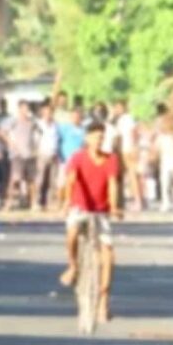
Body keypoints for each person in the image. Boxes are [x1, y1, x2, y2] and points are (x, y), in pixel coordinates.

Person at [59, 121, 122, 321]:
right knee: (72, 232)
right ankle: (72, 265)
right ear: (87, 138)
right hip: (80, 207)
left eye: (101, 137)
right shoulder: (78, 158)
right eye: (95, 136)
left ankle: (104, 301)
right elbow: (70, 180)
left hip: (101, 211)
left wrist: (114, 206)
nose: (98, 140)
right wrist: (67, 202)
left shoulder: (111, 159)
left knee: (108, 256)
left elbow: (112, 184)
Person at [3, 100, 38, 210]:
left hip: (29, 154)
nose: (25, 110)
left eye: (27, 108)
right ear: (19, 109)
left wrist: (35, 148)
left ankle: (33, 203)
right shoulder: (13, 121)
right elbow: (2, 132)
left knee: (31, 180)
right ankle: (8, 203)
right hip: (17, 154)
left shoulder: (32, 122)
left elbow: (38, 134)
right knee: (14, 179)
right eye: (23, 108)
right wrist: (11, 143)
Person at [111, 99, 144, 211]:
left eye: (118, 107)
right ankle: (136, 200)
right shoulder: (123, 119)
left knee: (132, 176)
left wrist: (134, 146)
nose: (116, 110)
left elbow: (132, 133)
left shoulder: (126, 119)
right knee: (131, 176)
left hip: (127, 149)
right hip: (126, 149)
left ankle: (137, 201)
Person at [35, 103, 60, 211]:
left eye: (50, 112)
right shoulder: (39, 124)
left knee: (52, 180)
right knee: (40, 180)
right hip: (42, 154)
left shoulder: (56, 125)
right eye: (46, 112)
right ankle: (37, 202)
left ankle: (50, 202)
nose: (48, 114)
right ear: (43, 113)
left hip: (54, 154)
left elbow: (58, 139)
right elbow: (35, 140)